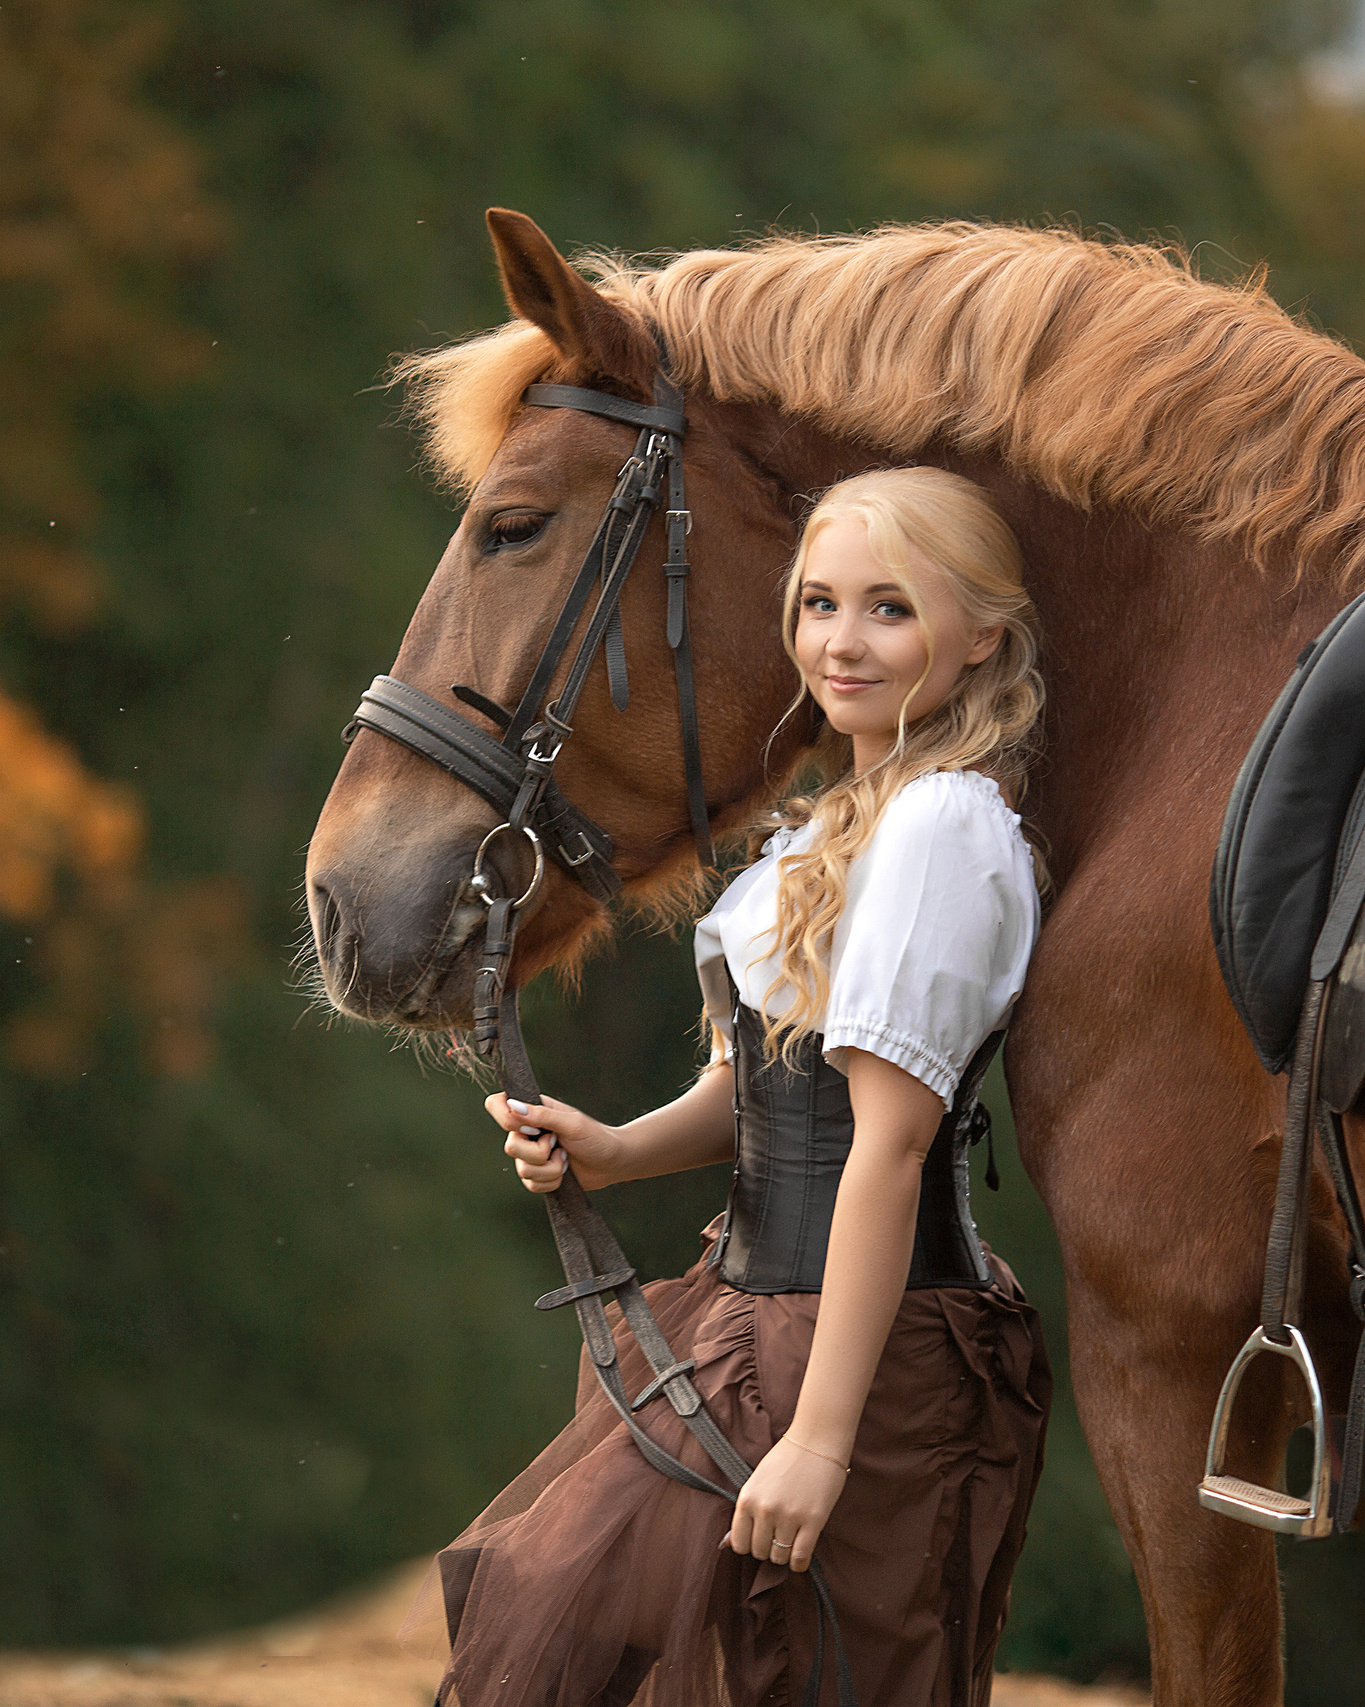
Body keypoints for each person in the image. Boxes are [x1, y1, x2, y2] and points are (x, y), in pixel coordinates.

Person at [433, 466, 1053, 1707]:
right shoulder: (829, 830)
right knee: (586, 1628)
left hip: (862, 1360)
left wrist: (822, 1442)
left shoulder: (943, 829)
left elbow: (882, 1146)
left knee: (815, 1677)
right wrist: (611, 1149)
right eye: (819, 603)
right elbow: (761, 1093)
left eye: (889, 608)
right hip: (740, 1320)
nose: (839, 640)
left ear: (983, 634)